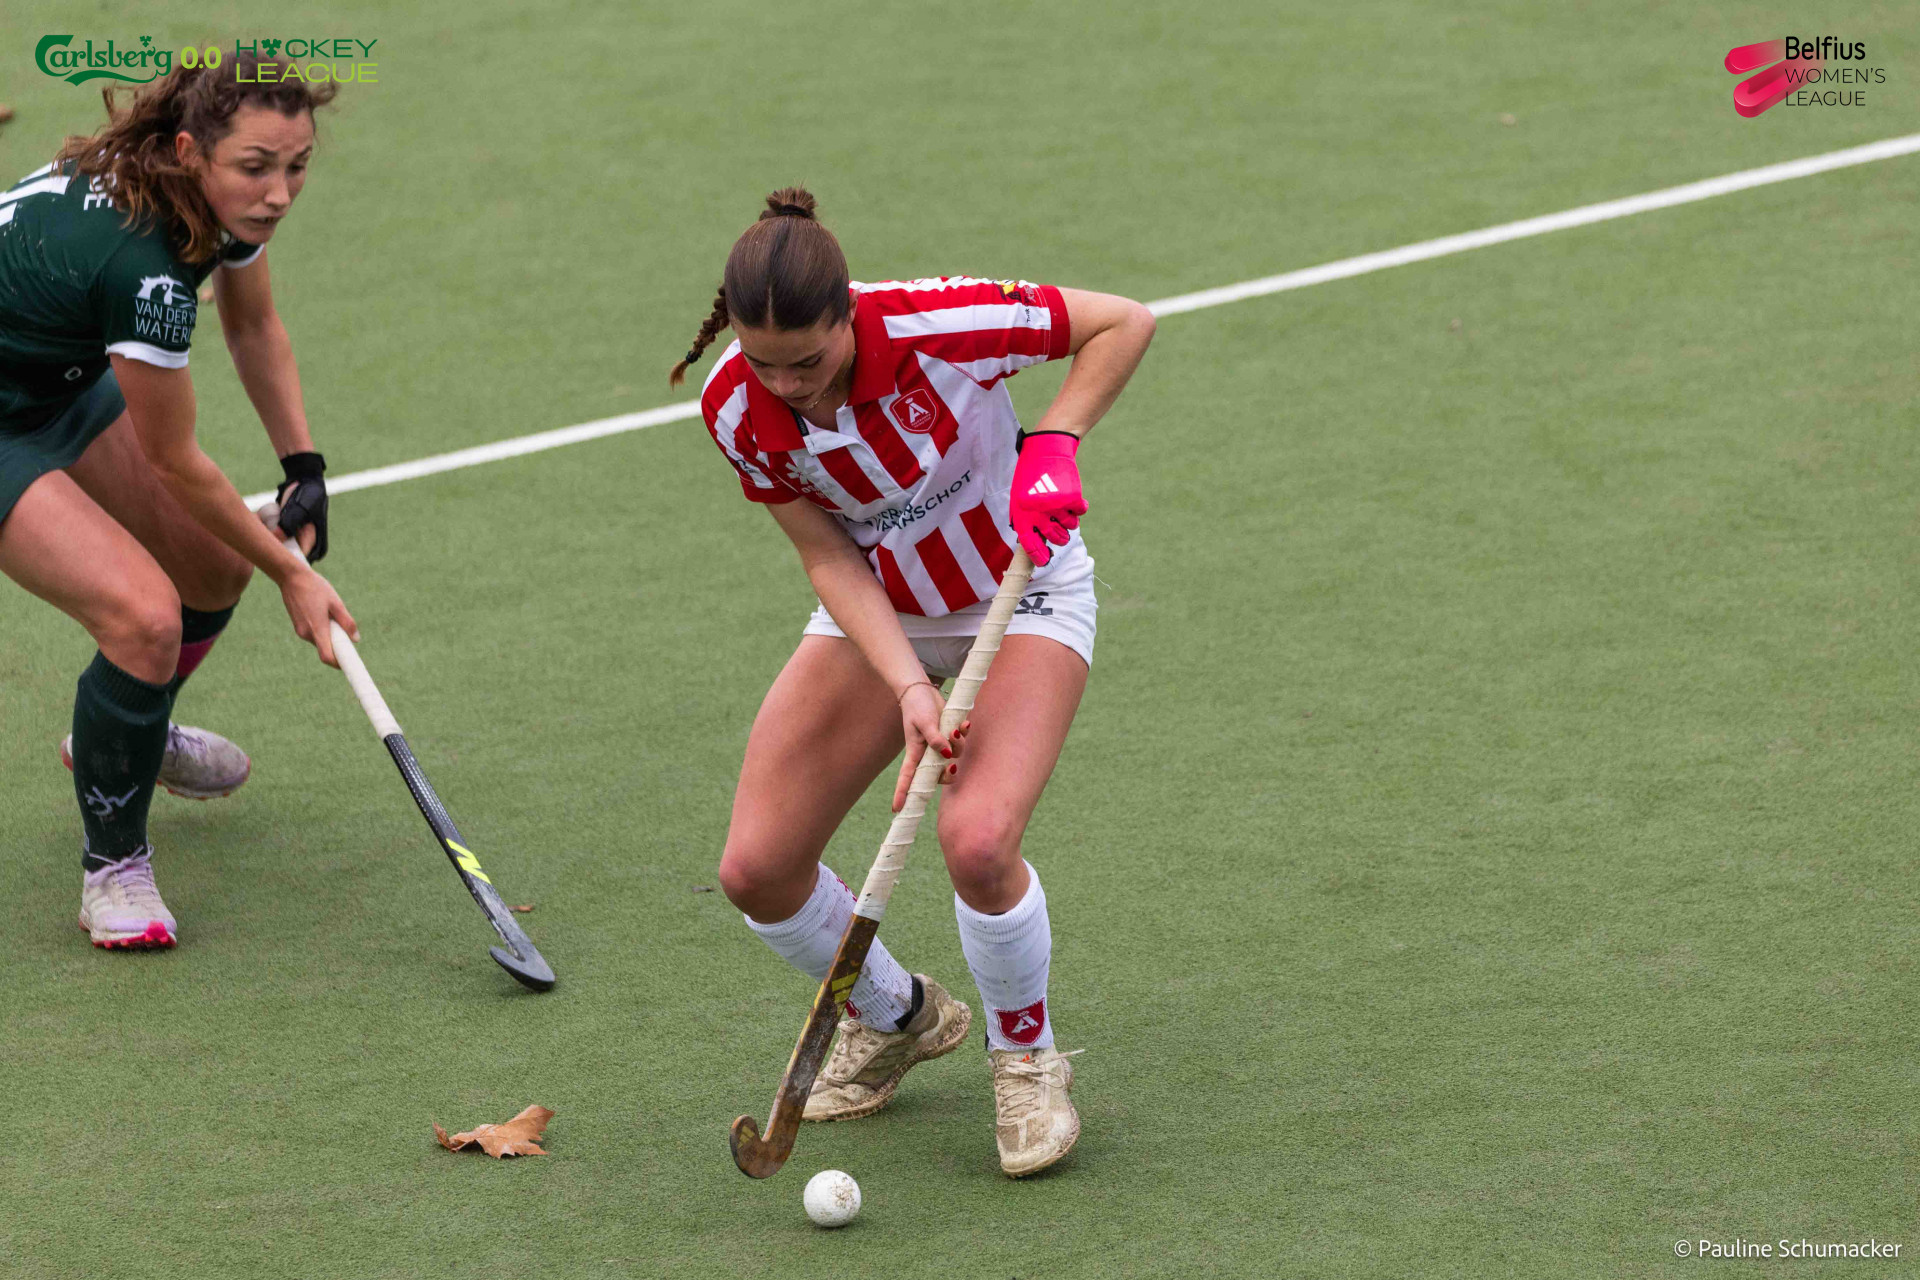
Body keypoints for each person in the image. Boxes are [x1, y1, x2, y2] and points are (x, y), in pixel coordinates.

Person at [674, 188, 1155, 1177]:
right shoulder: (734, 407)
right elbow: (827, 555)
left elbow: (1122, 322)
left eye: (809, 361)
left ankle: (1026, 1058)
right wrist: (906, 683)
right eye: (766, 364)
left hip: (1020, 597)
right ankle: (898, 1016)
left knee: (977, 840)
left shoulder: (943, 324)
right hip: (881, 614)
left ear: (848, 313)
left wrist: (1054, 442)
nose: (789, 387)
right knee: (757, 868)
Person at [0, 54, 357, 950]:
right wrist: (292, 574)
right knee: (144, 617)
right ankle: (112, 869)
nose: (279, 193)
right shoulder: (144, 266)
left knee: (213, 565)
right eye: (257, 167)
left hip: (50, 377)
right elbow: (173, 460)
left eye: (297, 166)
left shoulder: (212, 201)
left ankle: (127, 734)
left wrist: (303, 464)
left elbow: (253, 324)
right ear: (192, 150)